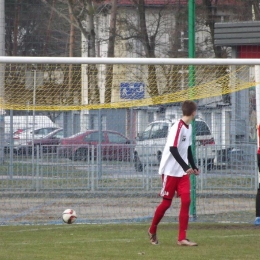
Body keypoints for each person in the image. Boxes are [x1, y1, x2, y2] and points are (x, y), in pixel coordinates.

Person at [148, 100, 199, 246]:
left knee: (187, 200)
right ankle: (152, 230)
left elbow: (188, 149)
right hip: (170, 172)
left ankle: (182, 238)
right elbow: (173, 149)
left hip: (182, 174)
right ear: (193, 112)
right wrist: (185, 167)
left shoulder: (189, 127)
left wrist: (193, 166)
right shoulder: (177, 126)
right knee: (166, 203)